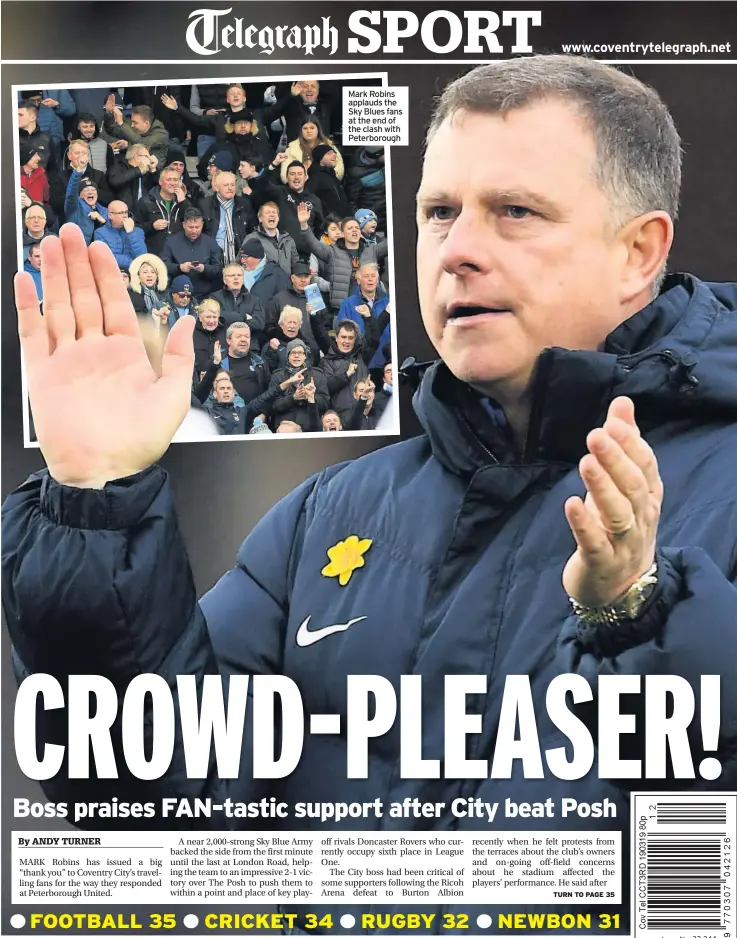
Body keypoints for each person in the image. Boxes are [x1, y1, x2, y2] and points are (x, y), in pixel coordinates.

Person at [6, 56, 737, 937]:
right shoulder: (326, 518)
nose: (458, 248)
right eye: (438, 213)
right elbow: (161, 813)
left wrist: (640, 617)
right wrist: (97, 497)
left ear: (638, 252)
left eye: (515, 212)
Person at [297, 206, 389, 317]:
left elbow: (392, 241)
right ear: (342, 233)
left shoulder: (372, 250)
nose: (354, 230)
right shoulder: (332, 252)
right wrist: (304, 225)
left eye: (357, 228)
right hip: (342, 310)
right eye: (350, 228)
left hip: (370, 309)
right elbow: (313, 244)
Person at [318, 317, 383, 425]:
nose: (346, 341)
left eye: (350, 338)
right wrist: (346, 374)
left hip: (364, 412)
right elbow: (326, 386)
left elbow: (373, 341)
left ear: (355, 339)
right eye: (343, 337)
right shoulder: (326, 361)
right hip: (340, 416)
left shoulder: (362, 356)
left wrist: (367, 318)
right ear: (336, 338)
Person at [336, 262, 391, 369]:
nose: (370, 279)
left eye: (373, 276)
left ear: (378, 280)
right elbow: (343, 333)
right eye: (366, 276)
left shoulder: (388, 303)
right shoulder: (348, 304)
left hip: (384, 364)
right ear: (358, 280)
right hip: (359, 364)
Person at [160, 207, 223, 299]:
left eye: (197, 227)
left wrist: (204, 268)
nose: (194, 231)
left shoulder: (210, 242)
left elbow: (218, 269)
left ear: (202, 224)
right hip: (178, 294)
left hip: (205, 294)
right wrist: (179, 267)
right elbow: (162, 265)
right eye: (191, 227)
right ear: (184, 225)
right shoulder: (171, 241)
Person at [132, 164, 190, 256]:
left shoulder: (184, 202)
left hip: (179, 254)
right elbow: (134, 228)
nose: (172, 183)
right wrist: (152, 226)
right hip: (154, 253)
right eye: (169, 180)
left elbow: (193, 223)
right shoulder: (145, 202)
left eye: (175, 180)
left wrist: (184, 202)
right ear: (160, 182)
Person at [199, 171, 255, 265]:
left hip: (240, 259)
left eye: (232, 185)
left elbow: (253, 232)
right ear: (216, 187)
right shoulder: (204, 205)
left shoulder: (245, 204)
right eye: (226, 185)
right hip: (212, 260)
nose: (230, 188)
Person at [204, 371, 277, 436]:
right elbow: (193, 400)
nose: (226, 391)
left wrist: (281, 387)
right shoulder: (207, 412)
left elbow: (262, 398)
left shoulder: (242, 412)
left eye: (228, 388)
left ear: (233, 393)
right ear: (215, 394)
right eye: (222, 388)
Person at [102, 98, 170, 168]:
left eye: (135, 122)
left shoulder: (162, 134)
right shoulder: (135, 127)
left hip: (152, 173)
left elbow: (141, 142)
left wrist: (121, 123)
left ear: (146, 123)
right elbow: (112, 131)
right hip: (133, 169)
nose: (132, 125)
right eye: (132, 121)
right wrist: (108, 113)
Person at [218, 321, 271, 407]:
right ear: (228, 340)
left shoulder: (260, 362)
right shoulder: (217, 361)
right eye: (238, 337)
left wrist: (263, 414)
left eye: (247, 337)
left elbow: (267, 394)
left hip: (255, 416)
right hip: (226, 415)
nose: (243, 340)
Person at [239, 201, 299, 276]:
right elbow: (241, 263)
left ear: (278, 218)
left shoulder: (288, 239)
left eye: (274, 213)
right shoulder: (251, 238)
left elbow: (296, 265)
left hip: (286, 285)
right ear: (260, 218)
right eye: (267, 213)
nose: (271, 215)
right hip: (263, 285)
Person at [207, 264, 266, 337]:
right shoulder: (214, 298)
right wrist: (244, 317)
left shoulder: (254, 300)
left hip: (249, 345)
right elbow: (215, 319)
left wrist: (230, 321)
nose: (236, 278)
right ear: (224, 280)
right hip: (223, 343)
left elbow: (259, 324)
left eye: (239, 275)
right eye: (232, 275)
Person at [280, 118, 344, 182]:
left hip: (326, 186)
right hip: (299, 187)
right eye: (305, 128)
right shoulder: (291, 148)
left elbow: (339, 170)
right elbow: (284, 174)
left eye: (312, 128)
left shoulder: (329, 146)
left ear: (318, 130)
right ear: (301, 130)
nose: (308, 131)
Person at [92, 200, 146, 268]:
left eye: (126, 212)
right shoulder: (100, 233)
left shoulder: (138, 231)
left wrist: (131, 233)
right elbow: (105, 258)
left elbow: (142, 256)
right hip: (111, 272)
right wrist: (133, 262)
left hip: (133, 274)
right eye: (121, 213)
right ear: (110, 215)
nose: (125, 216)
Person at [237, 240, 290, 308]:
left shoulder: (278, 275)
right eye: (241, 257)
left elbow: (284, 304)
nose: (242, 260)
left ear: (257, 257)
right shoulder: (237, 274)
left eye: (245, 257)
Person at [107, 142, 156, 211]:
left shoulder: (147, 171)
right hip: (124, 211)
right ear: (137, 157)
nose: (150, 159)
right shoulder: (118, 165)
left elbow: (158, 187)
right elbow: (115, 181)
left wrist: (153, 170)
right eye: (147, 156)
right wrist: (138, 170)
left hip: (145, 211)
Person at [306, 143, 350, 218]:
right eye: (329, 153)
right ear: (320, 158)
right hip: (327, 225)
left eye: (334, 153)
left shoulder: (332, 176)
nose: (334, 155)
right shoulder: (315, 177)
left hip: (339, 222)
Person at [63, 173, 108, 244]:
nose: (90, 192)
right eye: (86, 190)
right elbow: (71, 195)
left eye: (93, 190)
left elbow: (114, 233)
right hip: (81, 250)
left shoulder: (105, 211)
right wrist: (77, 173)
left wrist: (103, 221)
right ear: (80, 195)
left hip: (101, 250)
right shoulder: (74, 207)